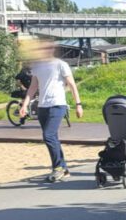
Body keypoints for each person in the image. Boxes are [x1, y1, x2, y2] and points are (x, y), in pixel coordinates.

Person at [19, 41, 83, 182]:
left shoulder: (61, 64)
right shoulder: (37, 66)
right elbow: (33, 87)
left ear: (52, 50)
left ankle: (57, 168)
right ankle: (64, 169)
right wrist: (25, 105)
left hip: (58, 105)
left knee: (48, 136)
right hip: (43, 106)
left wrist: (78, 104)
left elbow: (72, 85)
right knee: (52, 137)